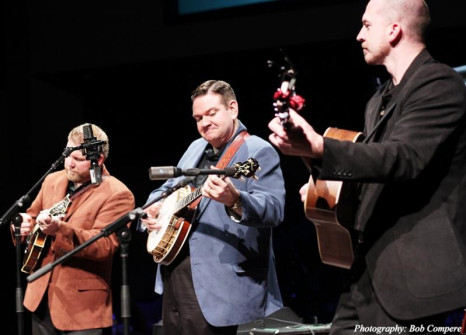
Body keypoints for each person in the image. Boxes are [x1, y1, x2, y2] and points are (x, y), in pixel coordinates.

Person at [268, 0, 466, 332]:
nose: (359, 35)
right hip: (370, 272)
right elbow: (375, 174)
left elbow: (403, 159)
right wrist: (319, 178)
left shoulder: (440, 84)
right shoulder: (379, 99)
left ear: (394, 30)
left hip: (415, 277)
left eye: (367, 25)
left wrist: (320, 147)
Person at [140, 80, 285, 334]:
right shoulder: (196, 147)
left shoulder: (258, 150)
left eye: (211, 114)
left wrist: (235, 199)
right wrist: (156, 205)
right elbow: (170, 187)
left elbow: (274, 209)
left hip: (219, 281)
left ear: (233, 108)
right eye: (198, 117)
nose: (204, 123)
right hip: (175, 270)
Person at [14, 123, 135, 334]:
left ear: (98, 160)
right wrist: (24, 225)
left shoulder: (118, 193)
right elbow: (33, 217)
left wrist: (59, 230)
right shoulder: (52, 180)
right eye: (67, 154)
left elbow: (105, 245)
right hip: (40, 299)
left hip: (82, 309)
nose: (69, 163)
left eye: (78, 159)